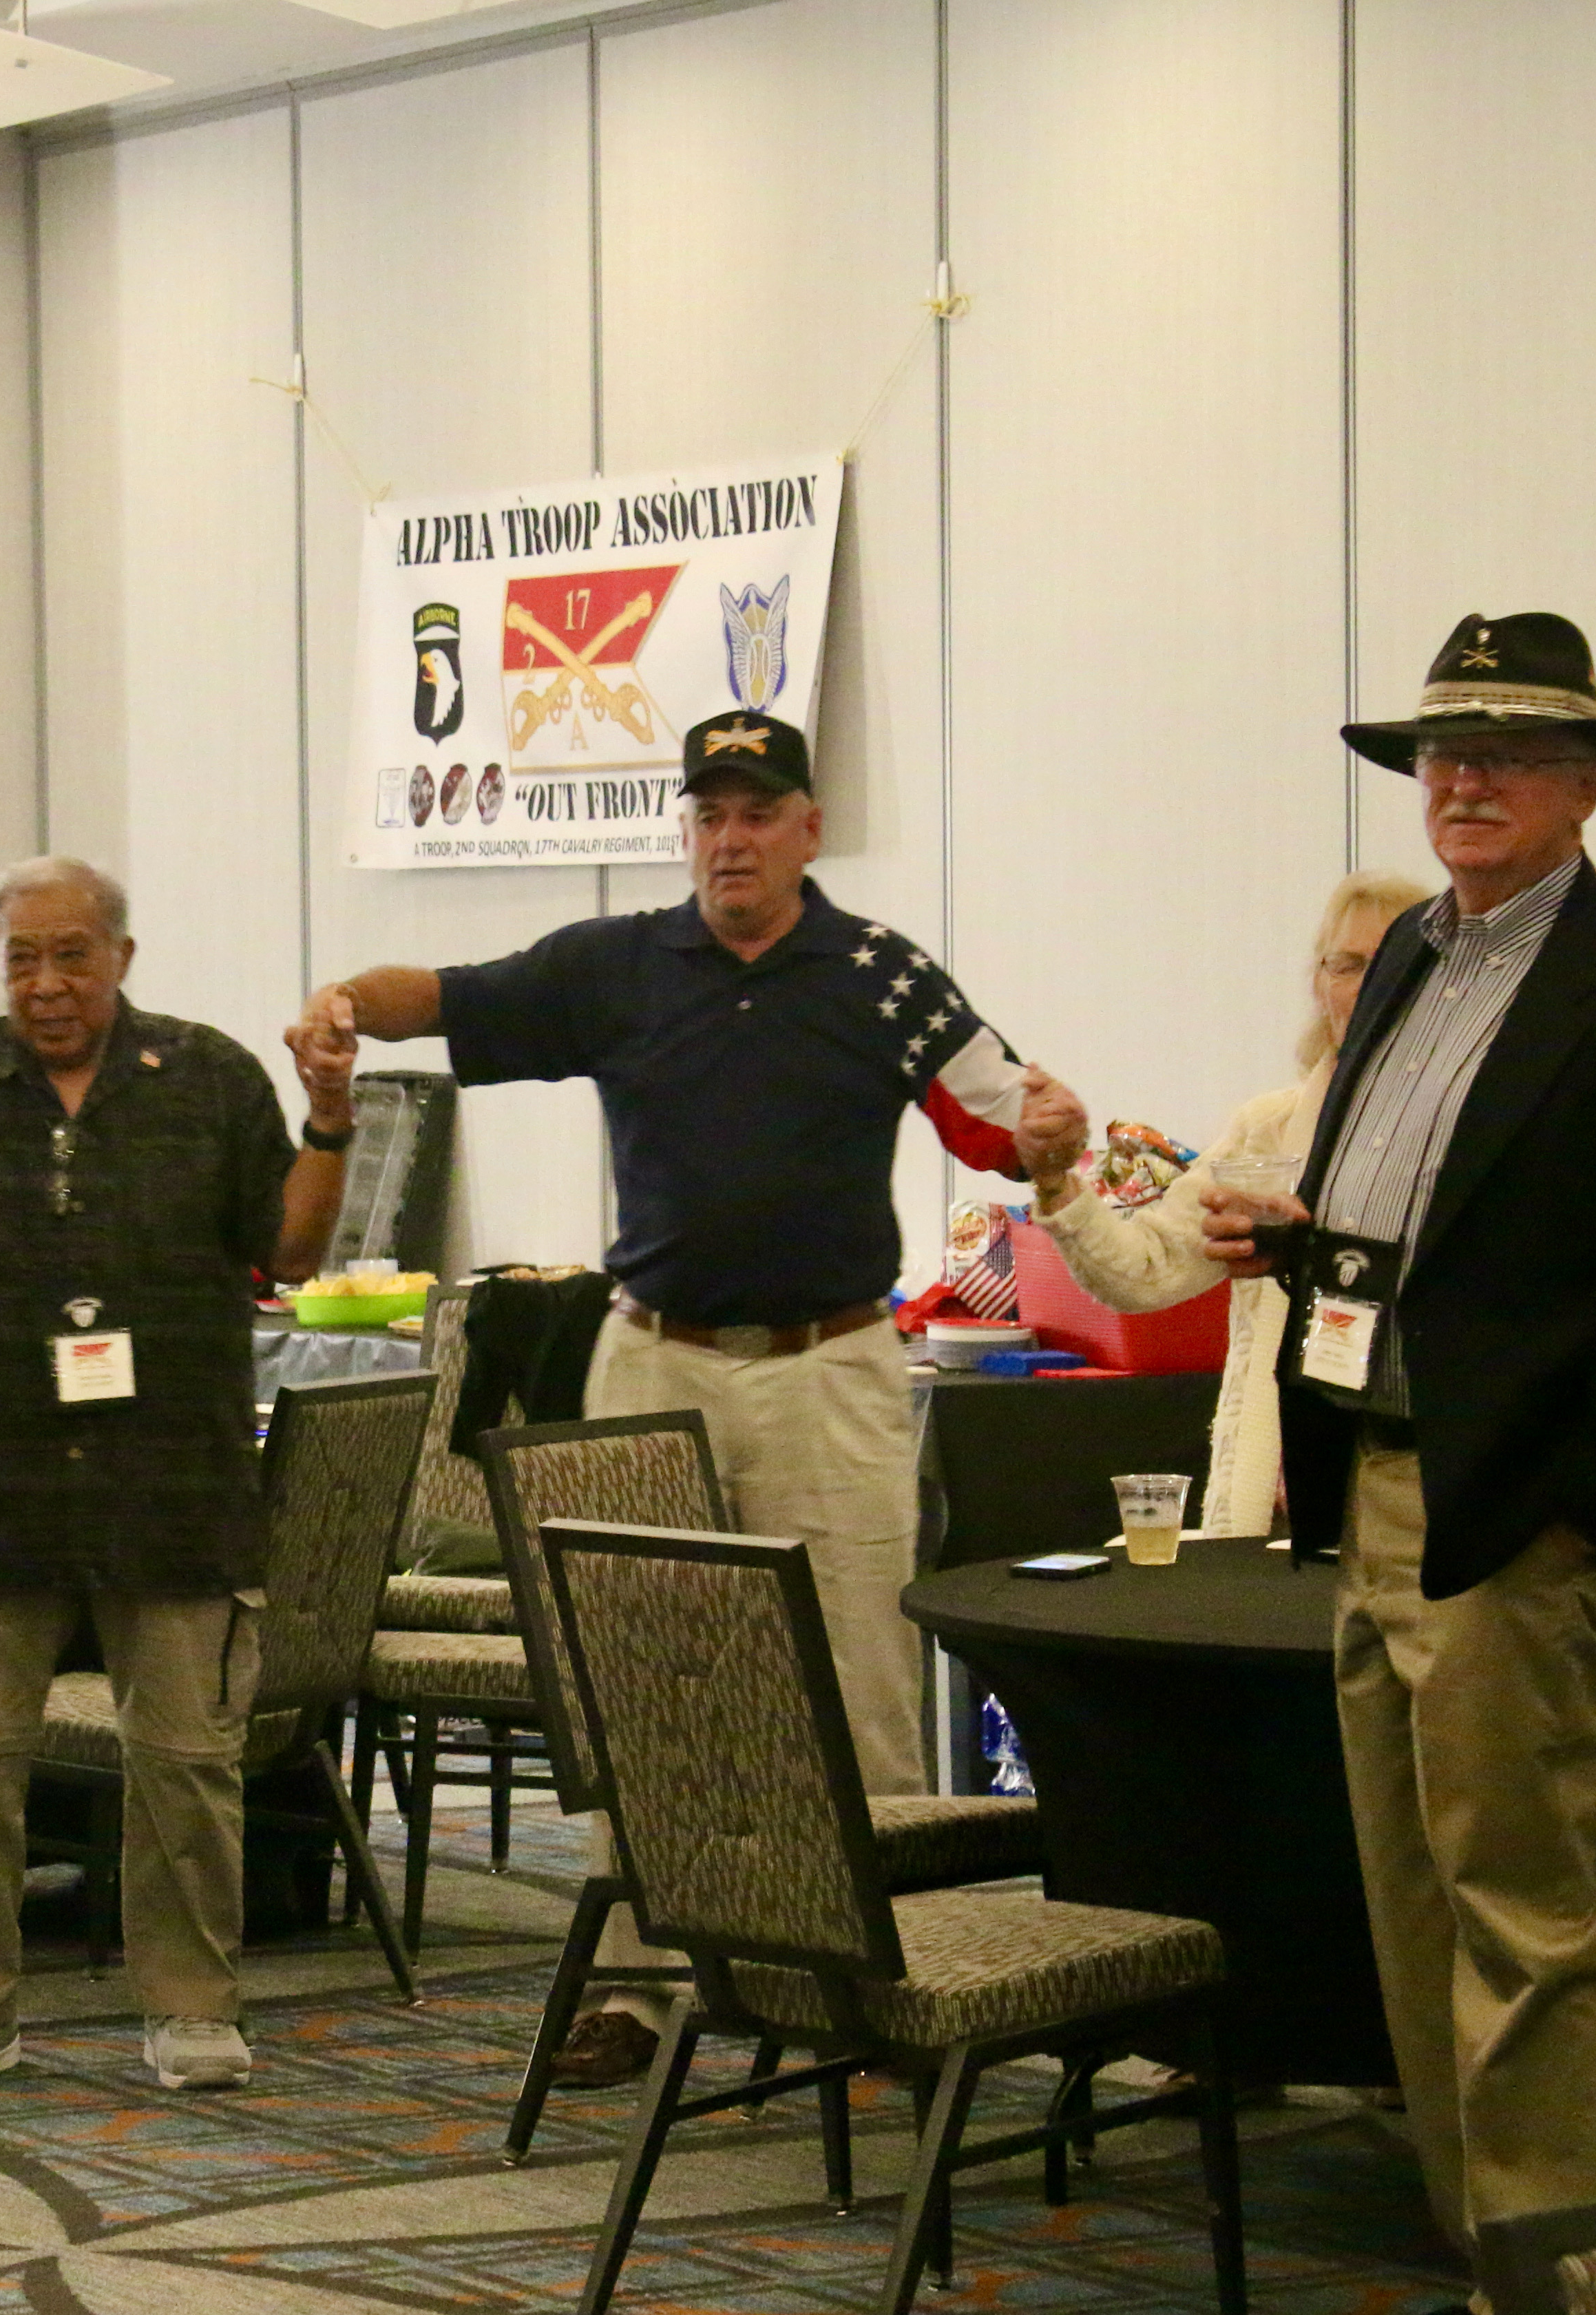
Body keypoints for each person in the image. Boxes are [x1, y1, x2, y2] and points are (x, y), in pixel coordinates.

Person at [1201, 613, 1596, 2315]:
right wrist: (1300, 1248)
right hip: (1369, 1481)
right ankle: (1491, 2270)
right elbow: (1427, 1228)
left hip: (1510, 1509)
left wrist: (1587, 1507)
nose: (1464, 781)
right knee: (1412, 1902)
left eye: (1510, 755)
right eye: (1444, 752)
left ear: (1588, 786)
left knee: (1523, 1917)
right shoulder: (1406, 964)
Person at [310, 709, 1051, 2088]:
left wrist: (1051, 1137)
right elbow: (454, 995)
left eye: (758, 812)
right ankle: (638, 1985)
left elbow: (1008, 1120)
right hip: (651, 1362)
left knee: (858, 1680)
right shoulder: (616, 966)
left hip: (832, 1370)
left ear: (809, 830)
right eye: (709, 814)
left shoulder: (882, 975)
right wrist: (344, 1004)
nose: (730, 838)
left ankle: (888, 1988)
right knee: (644, 1677)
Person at [0, 857, 353, 2097]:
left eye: (72, 955)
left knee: (185, 1761)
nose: (48, 982)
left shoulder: (210, 1078)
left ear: (121, 956)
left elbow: (289, 1248)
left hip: (172, 1481)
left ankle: (191, 2006)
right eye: (22, 958)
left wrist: (329, 1116)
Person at [1025, 869, 1431, 1537]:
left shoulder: (1476, 1132)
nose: (1366, 986)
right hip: (1278, 1497)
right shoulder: (1268, 1130)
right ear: (1319, 985)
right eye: (1347, 965)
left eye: (1392, 963)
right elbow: (1147, 1270)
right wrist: (1054, 1178)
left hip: (1420, 1484)